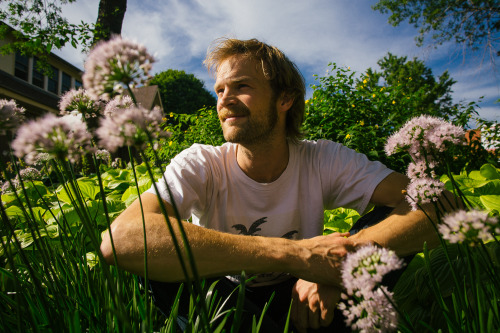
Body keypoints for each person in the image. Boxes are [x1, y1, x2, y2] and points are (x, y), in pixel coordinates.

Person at [100, 38, 449, 331]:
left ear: (284, 99)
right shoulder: (201, 162)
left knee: (388, 229)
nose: (224, 100)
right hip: (220, 294)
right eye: (220, 90)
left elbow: (441, 205)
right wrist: (299, 255)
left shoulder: (323, 159)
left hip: (300, 297)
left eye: (242, 86)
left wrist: (342, 266)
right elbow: (121, 240)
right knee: (155, 260)